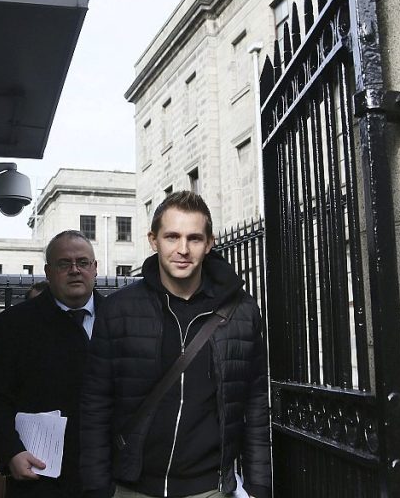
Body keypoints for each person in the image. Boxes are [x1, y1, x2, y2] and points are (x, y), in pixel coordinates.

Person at [80, 191, 271, 498]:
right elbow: (95, 404)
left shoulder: (242, 312)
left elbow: (256, 404)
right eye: (172, 237)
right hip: (131, 487)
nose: (183, 249)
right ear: (153, 240)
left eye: (194, 238)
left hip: (209, 489)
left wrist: (259, 487)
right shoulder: (119, 310)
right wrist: (97, 487)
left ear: (209, 243)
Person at [0, 230, 103, 498]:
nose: (74, 270)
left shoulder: (121, 316)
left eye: (82, 263)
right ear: (48, 271)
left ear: (95, 269)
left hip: (110, 476)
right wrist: (11, 451)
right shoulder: (15, 324)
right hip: (39, 478)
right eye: (64, 264)